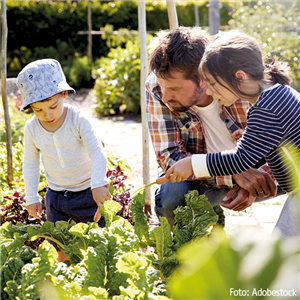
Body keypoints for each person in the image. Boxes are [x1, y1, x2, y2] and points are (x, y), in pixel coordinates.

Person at [164, 30, 299, 237]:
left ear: (239, 77)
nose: (209, 92)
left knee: (284, 255)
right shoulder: (276, 94)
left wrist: (192, 163)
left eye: (213, 84)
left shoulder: (266, 108)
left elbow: (240, 160)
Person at [17, 59, 111, 261]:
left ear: (64, 94)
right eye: (38, 110)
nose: (47, 115)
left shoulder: (78, 120)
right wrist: (32, 197)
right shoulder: (32, 129)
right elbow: (31, 164)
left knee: (95, 247)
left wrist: (99, 184)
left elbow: (96, 151)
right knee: (61, 248)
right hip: (56, 198)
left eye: (53, 106)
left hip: (88, 194)